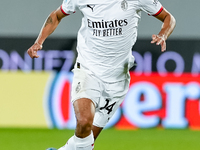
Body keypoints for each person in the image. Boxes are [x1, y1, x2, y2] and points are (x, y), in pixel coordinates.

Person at [27, 0, 176, 149]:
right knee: (84, 122)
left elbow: (169, 18)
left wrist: (163, 34)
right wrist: (38, 42)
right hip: (88, 70)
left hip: (117, 80)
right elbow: (57, 15)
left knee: (86, 137)